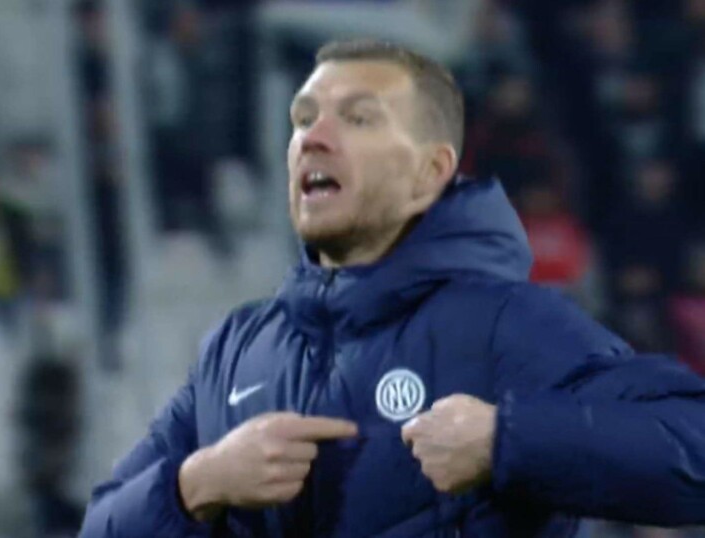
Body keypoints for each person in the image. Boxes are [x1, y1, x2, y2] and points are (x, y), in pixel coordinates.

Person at [79, 39, 705, 537]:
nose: (312, 138)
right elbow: (100, 525)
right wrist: (198, 483)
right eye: (303, 119)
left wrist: (507, 440)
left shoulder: (505, 326)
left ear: (428, 173)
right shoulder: (237, 348)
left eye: (357, 119)